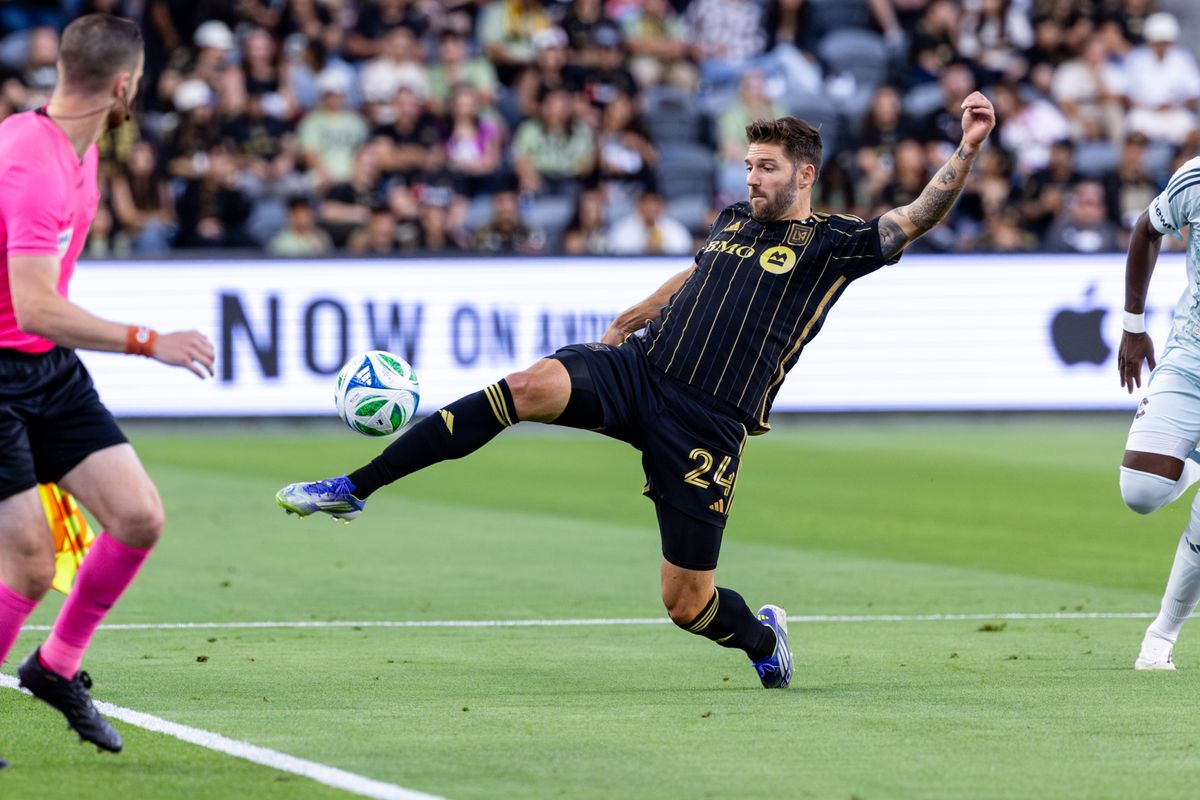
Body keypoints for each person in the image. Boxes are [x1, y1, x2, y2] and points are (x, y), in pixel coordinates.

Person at [276, 96, 996, 689]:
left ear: (804, 175)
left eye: (766, 168)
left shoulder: (836, 244)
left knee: (685, 603)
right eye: (748, 165)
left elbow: (918, 215)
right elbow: (698, 277)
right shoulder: (732, 223)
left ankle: (760, 637)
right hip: (642, 372)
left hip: (708, 423)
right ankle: (357, 486)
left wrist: (966, 147)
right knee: (525, 386)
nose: (751, 178)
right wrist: (632, 318)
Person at [0, 14, 215, 764]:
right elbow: (33, 302)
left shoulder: (79, 150)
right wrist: (148, 342)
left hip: (45, 367)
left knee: (138, 516)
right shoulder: (32, 162)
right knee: (29, 560)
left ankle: (53, 668)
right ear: (124, 84)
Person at [1118, 152, 1200, 670]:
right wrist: (1132, 323)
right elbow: (1146, 229)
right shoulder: (1195, 177)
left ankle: (1161, 637)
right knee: (1141, 492)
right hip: (1192, 351)